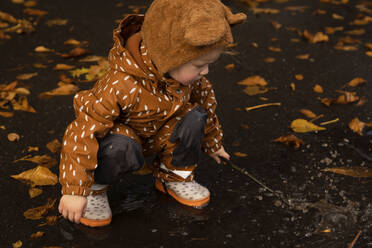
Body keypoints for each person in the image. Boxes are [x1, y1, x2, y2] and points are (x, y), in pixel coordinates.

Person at [58, 0, 246, 227]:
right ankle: (94, 189)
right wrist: (74, 190)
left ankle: (174, 175)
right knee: (118, 146)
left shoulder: (192, 82)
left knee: (195, 116)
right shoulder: (120, 84)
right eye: (198, 65)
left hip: (161, 134)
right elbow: (82, 132)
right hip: (123, 141)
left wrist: (213, 143)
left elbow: (207, 108)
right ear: (169, 57)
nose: (205, 72)